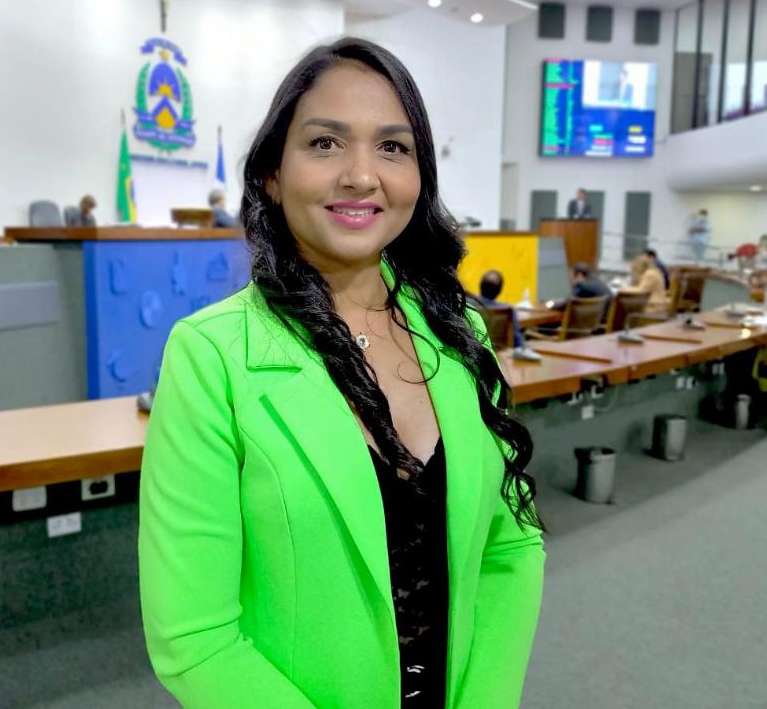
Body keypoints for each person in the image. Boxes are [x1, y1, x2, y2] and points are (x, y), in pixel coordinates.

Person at [138, 37, 544, 709]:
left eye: (392, 147)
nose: (361, 175)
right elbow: (195, 638)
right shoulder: (210, 356)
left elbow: (511, 546)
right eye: (325, 143)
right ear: (271, 172)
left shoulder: (459, 332)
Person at [475, 269, 524, 349]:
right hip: (502, 357)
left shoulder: (469, 306)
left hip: (476, 355)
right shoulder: (508, 310)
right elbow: (517, 341)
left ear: (480, 285)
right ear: (499, 291)